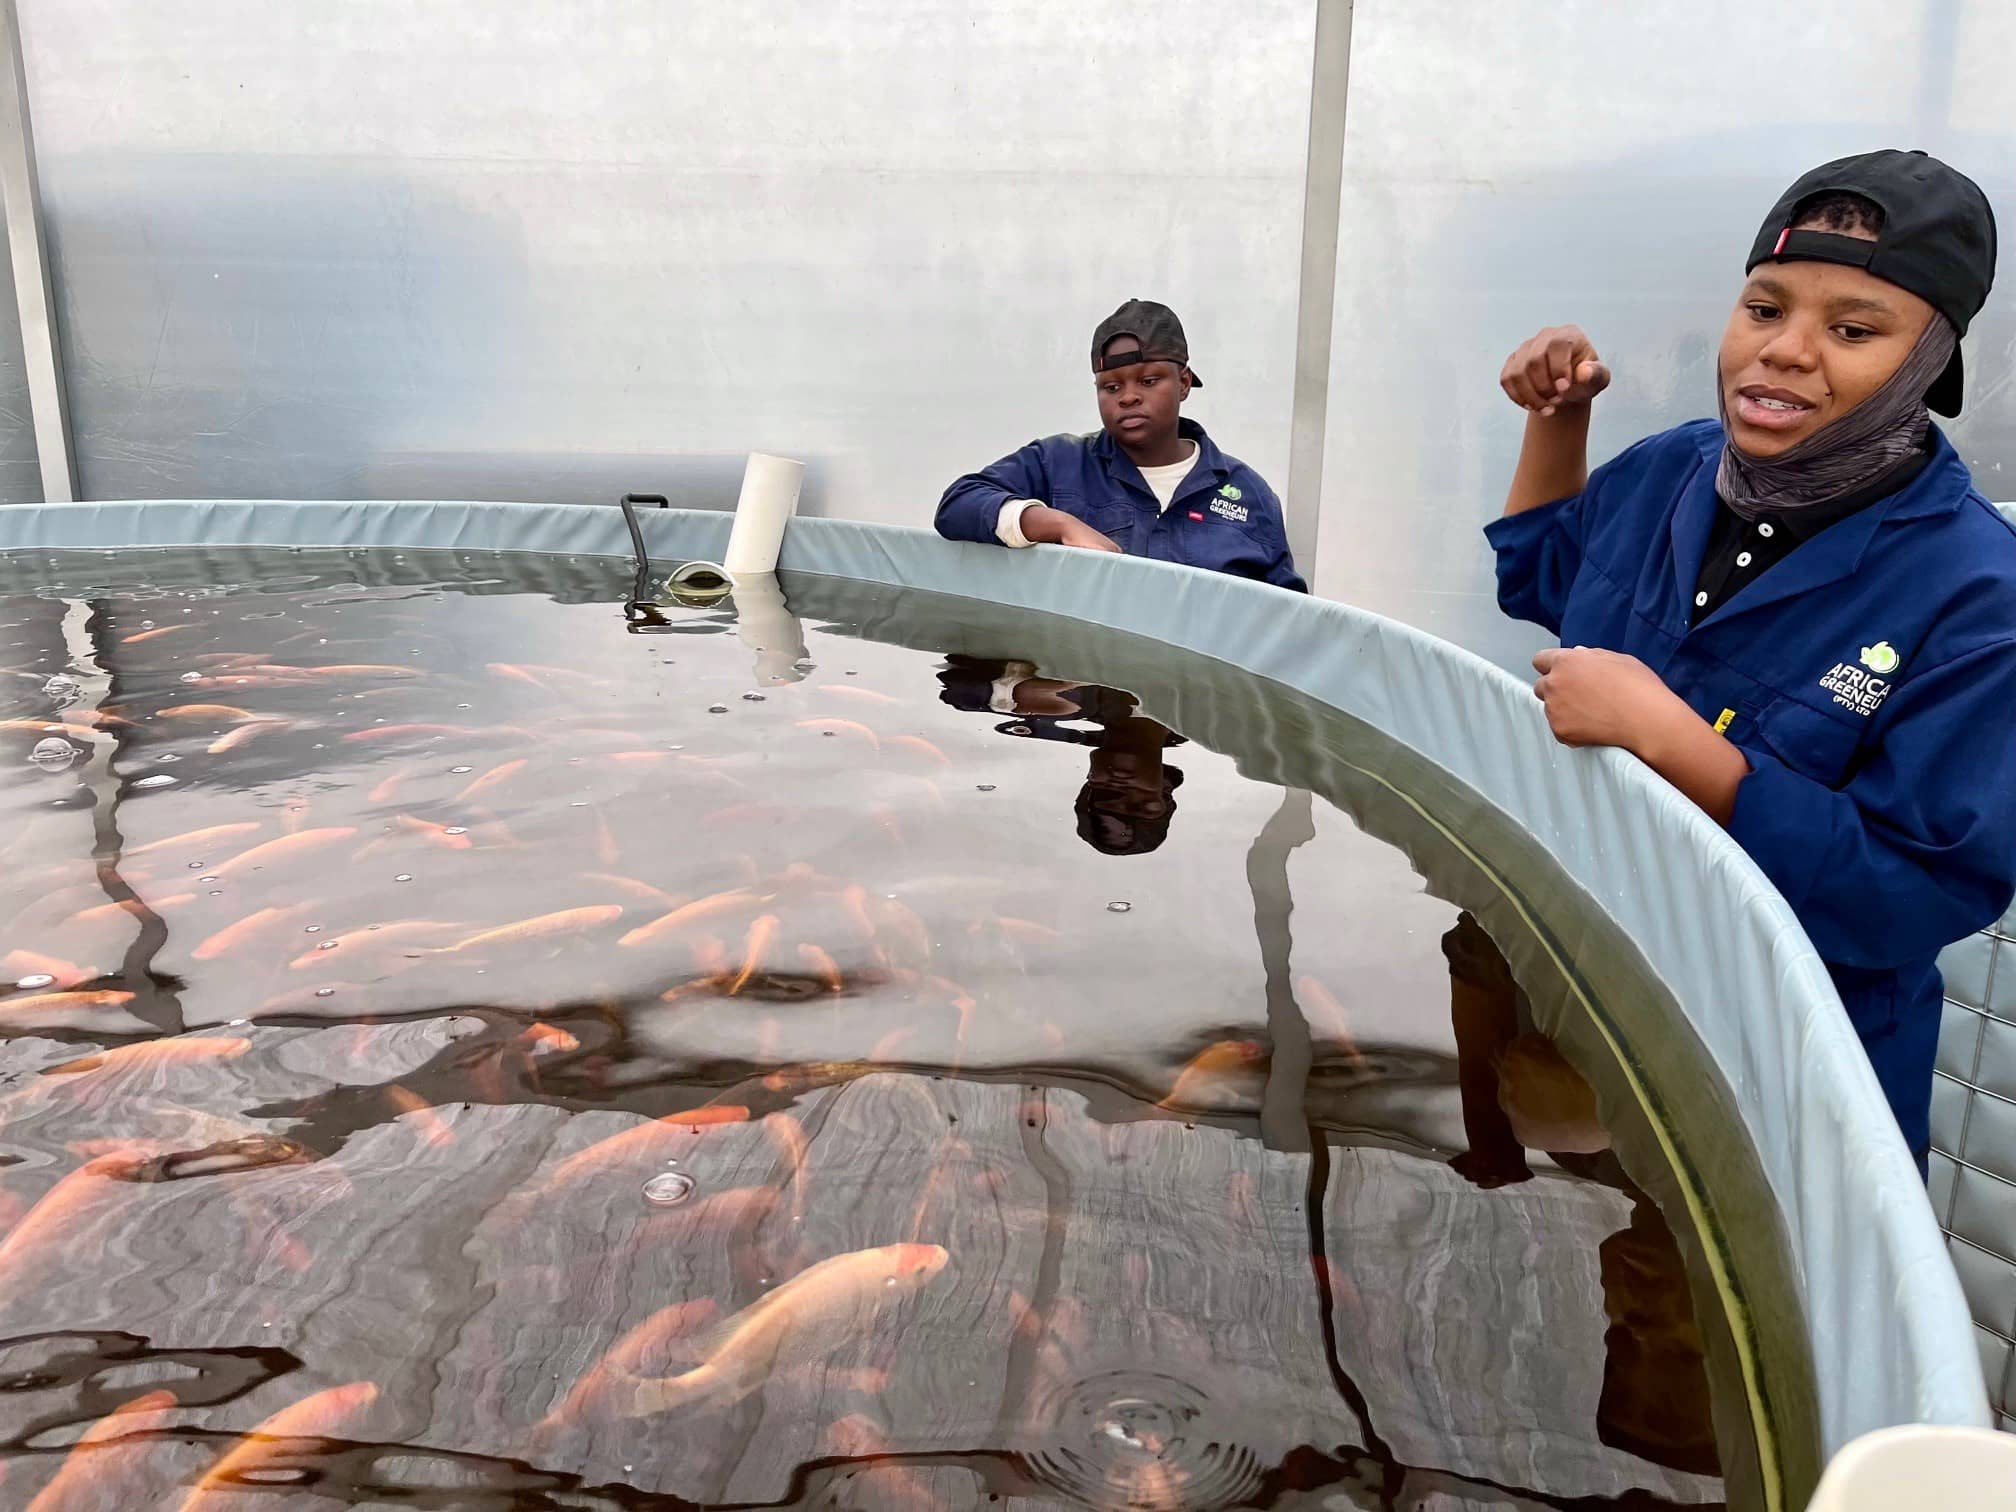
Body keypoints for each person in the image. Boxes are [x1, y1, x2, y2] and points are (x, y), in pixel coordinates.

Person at [1485, 148, 2016, 1167]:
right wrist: (1558, 419)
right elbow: (1539, 576)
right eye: (1765, 309)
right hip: (1600, 990)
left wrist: (1684, 749)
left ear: (1930, 361)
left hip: (1787, 1082)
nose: (1785, 351)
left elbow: (1915, 891)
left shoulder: (1978, 595)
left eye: (1853, 330)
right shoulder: (1668, 470)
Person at [935, 300, 1306, 591]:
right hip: (1073, 666)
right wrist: (1058, 524)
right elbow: (958, 504)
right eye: (1111, 387)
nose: (1128, 397)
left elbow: (1288, 621)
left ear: (1183, 383)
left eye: (1148, 381)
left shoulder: (1250, 495)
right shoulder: (1059, 464)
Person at [934, 655, 1186, 856]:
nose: (1120, 786)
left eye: (1105, 794)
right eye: (1139, 803)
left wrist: (1010, 694)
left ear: (1090, 780)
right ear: (1164, 789)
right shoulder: (1197, 722)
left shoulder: (1067, 708)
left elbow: (958, 689)